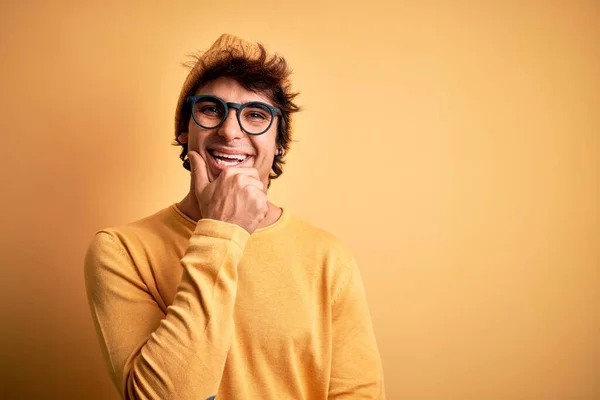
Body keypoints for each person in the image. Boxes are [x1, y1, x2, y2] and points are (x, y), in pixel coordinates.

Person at [84, 33, 386, 400]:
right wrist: (222, 232)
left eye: (256, 115)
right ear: (184, 131)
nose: (230, 131)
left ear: (279, 145)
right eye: (211, 109)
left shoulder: (328, 257)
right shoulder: (121, 250)